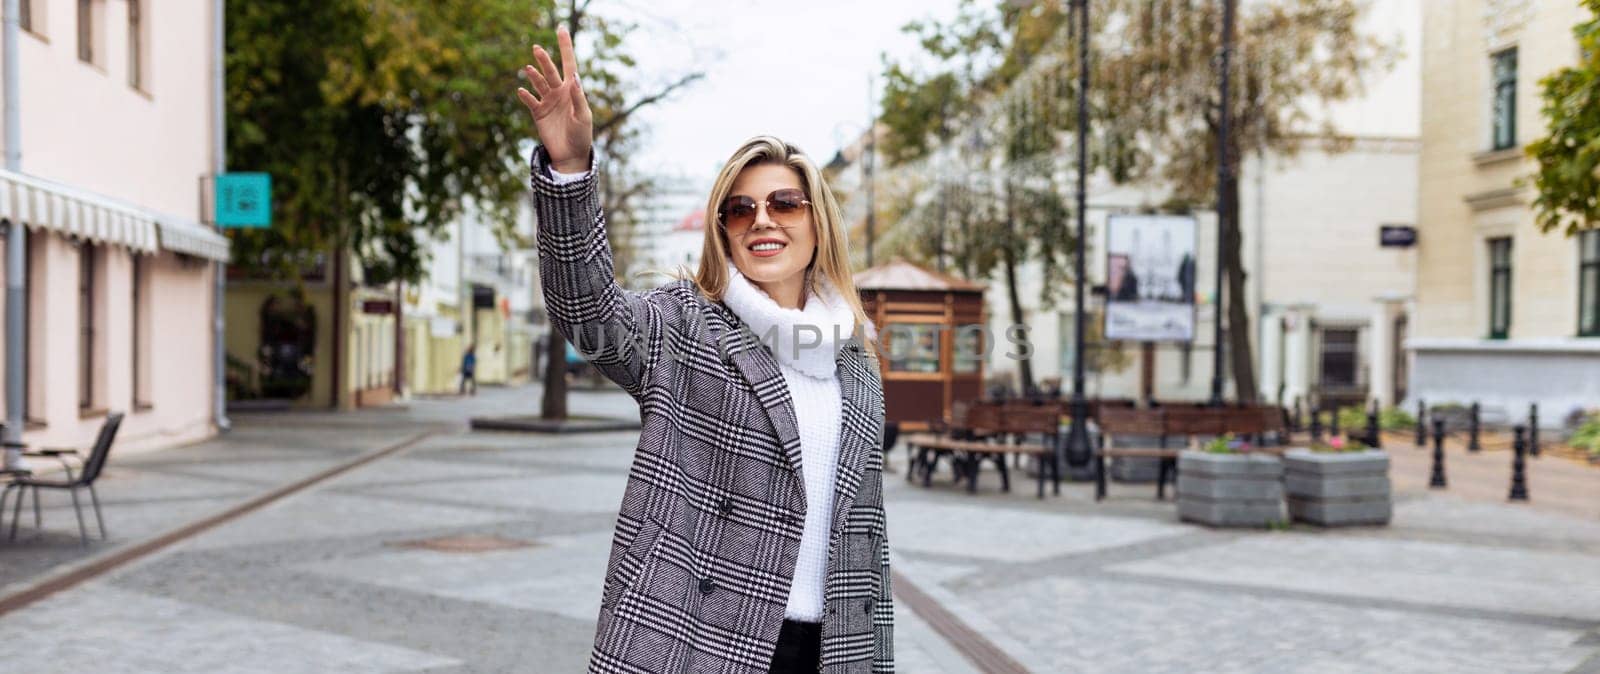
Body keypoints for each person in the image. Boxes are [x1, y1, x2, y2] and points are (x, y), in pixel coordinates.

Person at [516, 26, 892, 673]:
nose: (762, 220)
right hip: (700, 640)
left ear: (817, 219)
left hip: (832, 651)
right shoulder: (684, 324)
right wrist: (572, 170)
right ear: (723, 229)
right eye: (739, 210)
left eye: (784, 203)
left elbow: (866, 540)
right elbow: (588, 308)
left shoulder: (855, 359)